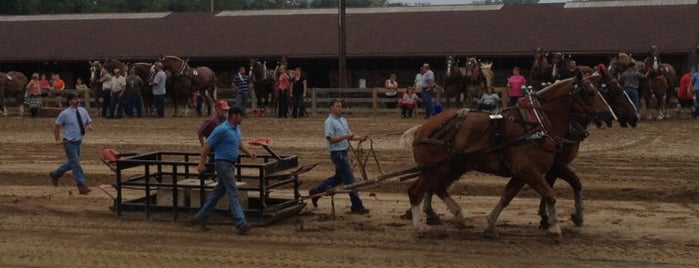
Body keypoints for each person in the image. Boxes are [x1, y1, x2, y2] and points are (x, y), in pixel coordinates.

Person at [187, 105, 255, 235]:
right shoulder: (221, 129)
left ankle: (201, 216)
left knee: (218, 192)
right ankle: (241, 223)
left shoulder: (236, 128)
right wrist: (202, 163)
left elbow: (238, 143)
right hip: (223, 163)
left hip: (229, 164)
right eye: (241, 116)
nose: (243, 119)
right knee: (233, 192)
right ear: (234, 115)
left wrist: (248, 153)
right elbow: (207, 145)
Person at [308, 99, 370, 215]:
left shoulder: (343, 120)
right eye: (337, 106)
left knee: (339, 178)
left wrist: (360, 138)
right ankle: (357, 205)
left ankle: (316, 191)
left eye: (340, 106)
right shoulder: (329, 122)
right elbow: (330, 139)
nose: (340, 108)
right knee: (350, 180)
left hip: (343, 153)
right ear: (331, 108)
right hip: (337, 154)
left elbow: (350, 136)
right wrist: (345, 136)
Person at [49, 93, 93, 195]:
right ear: (70, 101)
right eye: (74, 99)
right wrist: (57, 139)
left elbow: (88, 121)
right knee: (76, 164)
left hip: (78, 140)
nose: (77, 100)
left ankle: (55, 174)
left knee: (72, 163)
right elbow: (56, 126)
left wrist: (89, 125)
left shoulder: (83, 110)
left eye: (77, 98)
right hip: (69, 142)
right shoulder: (65, 113)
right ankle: (82, 186)